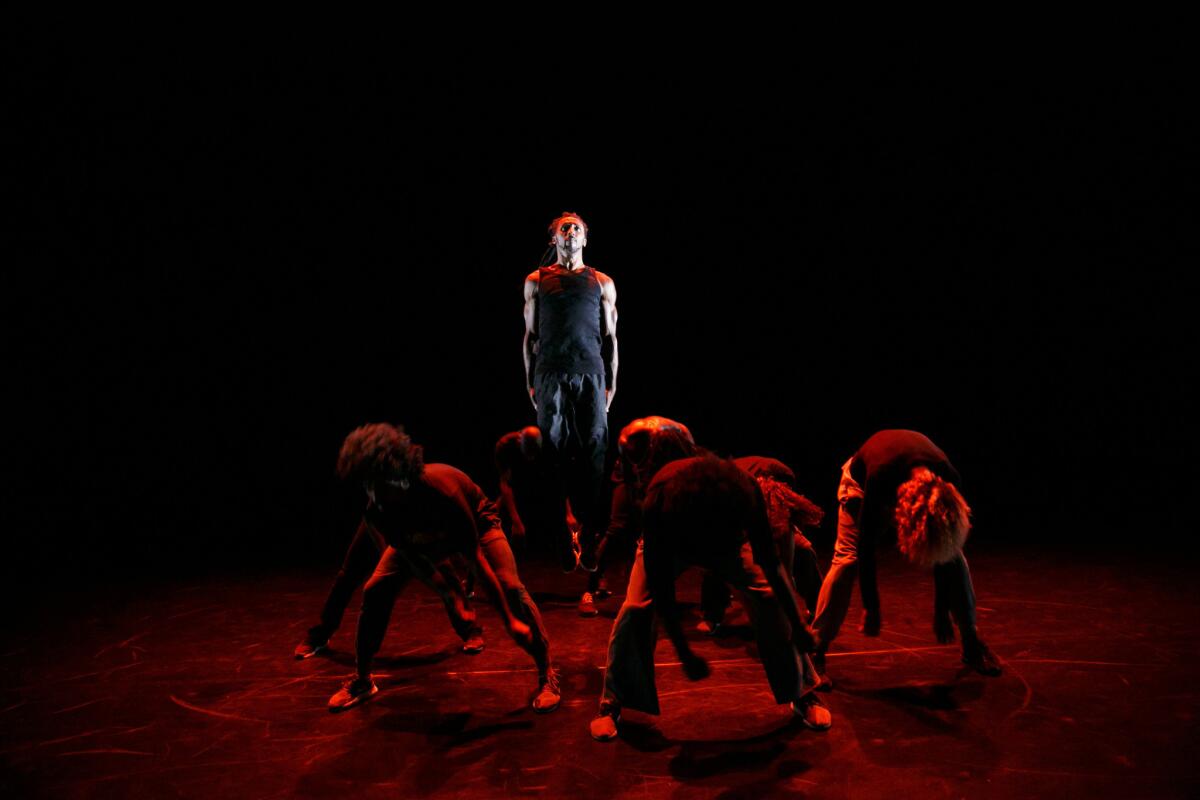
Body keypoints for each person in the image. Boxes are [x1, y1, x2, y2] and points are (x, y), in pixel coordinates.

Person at [590, 428, 830, 741]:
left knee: (768, 598)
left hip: (727, 542)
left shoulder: (744, 491)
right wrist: (684, 651)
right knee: (636, 609)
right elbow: (662, 592)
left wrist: (797, 626)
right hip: (672, 540)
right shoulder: (659, 503)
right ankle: (612, 703)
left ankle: (801, 692)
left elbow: (772, 569)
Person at [325, 423, 561, 714]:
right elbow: (412, 557)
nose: (373, 494)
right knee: (375, 589)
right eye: (367, 485)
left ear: (398, 477)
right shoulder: (377, 509)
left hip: (479, 525)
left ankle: (545, 673)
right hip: (423, 538)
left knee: (510, 587)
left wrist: (509, 620)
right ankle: (362, 680)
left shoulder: (443, 492)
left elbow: (474, 557)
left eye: (379, 484)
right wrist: (450, 595)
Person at [810, 429, 1002, 688]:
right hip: (860, 488)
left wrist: (941, 609)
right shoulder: (879, 477)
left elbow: (942, 546)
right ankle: (814, 649)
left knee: (954, 557)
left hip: (904, 483)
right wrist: (871, 607)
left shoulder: (949, 478)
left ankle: (971, 641)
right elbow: (866, 546)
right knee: (847, 559)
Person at [523, 212, 618, 582]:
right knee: (552, 453)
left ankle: (590, 534)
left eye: (577, 227)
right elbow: (529, 337)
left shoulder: (602, 282)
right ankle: (563, 533)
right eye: (564, 226)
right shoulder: (536, 281)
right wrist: (530, 383)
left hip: (591, 373)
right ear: (554, 239)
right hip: (550, 374)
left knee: (595, 453)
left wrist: (613, 385)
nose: (571, 230)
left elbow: (612, 339)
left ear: (585, 239)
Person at [293, 518, 484, 659]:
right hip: (378, 522)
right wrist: (388, 554)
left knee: (443, 569)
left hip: (412, 521)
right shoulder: (373, 480)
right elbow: (371, 516)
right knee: (347, 574)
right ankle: (321, 633)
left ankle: (469, 629)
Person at [578, 416, 693, 617]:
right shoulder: (629, 438)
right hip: (626, 477)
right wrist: (638, 496)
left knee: (658, 533)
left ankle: (655, 591)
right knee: (616, 529)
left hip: (660, 475)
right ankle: (589, 590)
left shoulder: (680, 437)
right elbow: (632, 478)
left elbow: (687, 469)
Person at [697, 456, 825, 635]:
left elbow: (785, 539)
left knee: (804, 550)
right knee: (716, 556)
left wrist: (784, 597)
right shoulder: (730, 487)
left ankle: (817, 608)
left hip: (771, 514)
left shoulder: (782, 485)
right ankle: (712, 615)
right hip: (733, 520)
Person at [494, 425, 577, 556]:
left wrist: (569, 513)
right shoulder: (505, 446)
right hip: (516, 483)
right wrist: (516, 521)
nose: (530, 457)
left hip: (538, 478)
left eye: (533, 453)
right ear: (520, 441)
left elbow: (558, 482)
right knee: (499, 513)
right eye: (528, 453)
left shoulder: (550, 445)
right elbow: (505, 485)